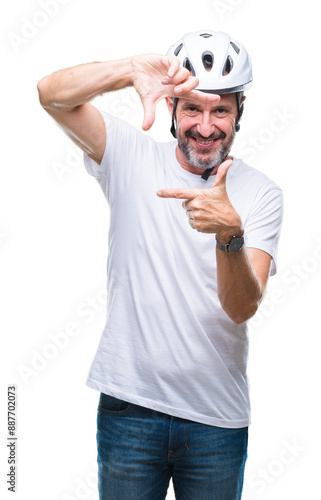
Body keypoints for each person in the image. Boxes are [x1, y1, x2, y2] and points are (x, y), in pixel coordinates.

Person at [37, 29, 283, 500]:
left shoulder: (262, 193)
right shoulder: (129, 155)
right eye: (192, 107)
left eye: (220, 111)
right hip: (130, 410)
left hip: (216, 422)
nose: (206, 126)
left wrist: (228, 234)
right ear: (171, 107)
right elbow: (51, 96)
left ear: (239, 114)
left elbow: (240, 308)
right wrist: (128, 69)